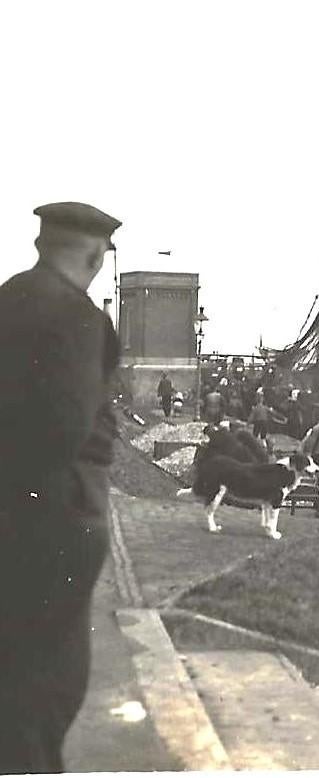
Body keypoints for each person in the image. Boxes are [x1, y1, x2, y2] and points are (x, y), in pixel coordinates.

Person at [0, 201, 122, 772]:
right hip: (58, 519)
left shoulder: (7, 299)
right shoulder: (79, 317)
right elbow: (66, 428)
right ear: (96, 255)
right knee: (48, 685)